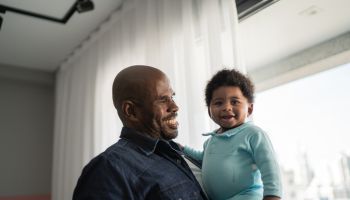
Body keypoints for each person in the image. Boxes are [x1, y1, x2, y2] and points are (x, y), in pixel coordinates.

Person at [73, 65, 208, 200]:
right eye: (163, 99)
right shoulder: (107, 169)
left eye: (172, 97)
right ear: (131, 111)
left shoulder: (175, 152)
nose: (175, 107)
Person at [181, 69, 282, 200]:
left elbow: (271, 169)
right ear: (209, 111)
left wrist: (272, 196)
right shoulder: (211, 141)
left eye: (234, 102)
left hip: (247, 195)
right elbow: (203, 158)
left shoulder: (253, 134)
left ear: (249, 109)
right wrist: (183, 149)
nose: (226, 107)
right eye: (218, 103)